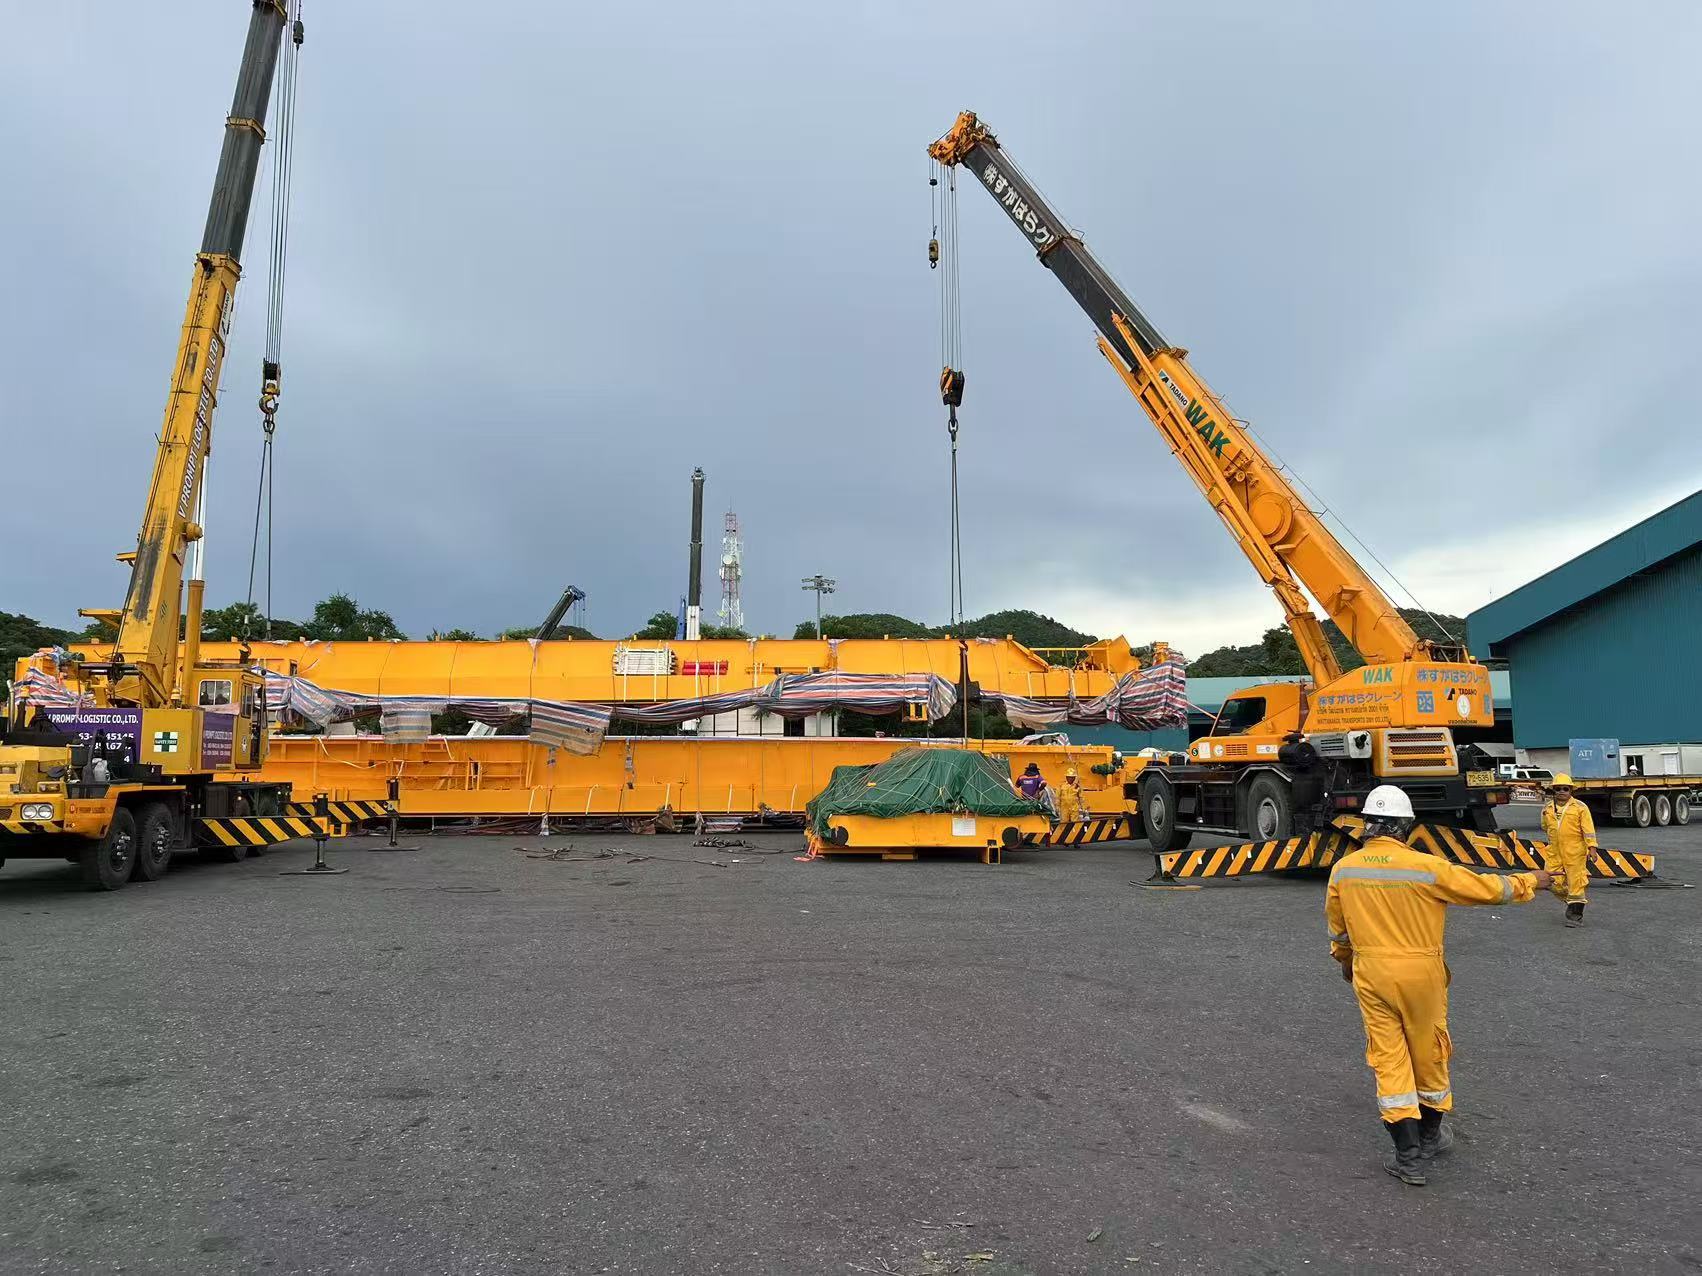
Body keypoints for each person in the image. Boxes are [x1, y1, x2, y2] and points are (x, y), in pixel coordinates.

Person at [1326, 785, 1550, 1187]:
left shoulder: (1345, 870)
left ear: (1368, 825)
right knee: (1429, 1051)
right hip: (1421, 972)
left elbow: (1340, 934)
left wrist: (1347, 964)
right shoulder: (1427, 868)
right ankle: (1430, 1136)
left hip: (1371, 972)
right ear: (1405, 827)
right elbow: (1488, 890)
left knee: (1388, 1057)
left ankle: (1407, 1156)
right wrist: (1530, 880)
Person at [1540, 774, 1597, 928]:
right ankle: (1572, 903)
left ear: (1571, 790)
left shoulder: (1580, 808)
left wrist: (1592, 847)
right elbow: (1545, 827)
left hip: (1575, 852)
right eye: (1558, 788)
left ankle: (1575, 916)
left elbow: (1588, 829)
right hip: (1554, 852)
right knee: (1551, 881)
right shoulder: (1547, 809)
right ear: (1553, 790)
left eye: (1565, 788)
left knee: (1576, 883)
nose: (1561, 791)